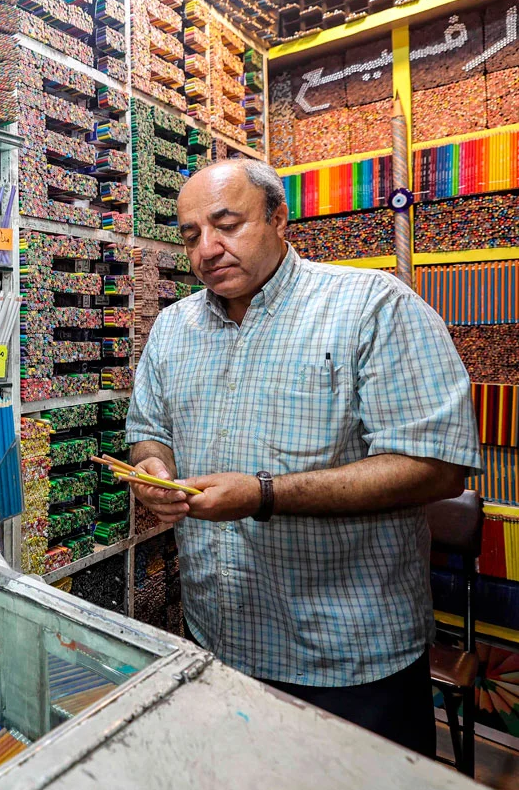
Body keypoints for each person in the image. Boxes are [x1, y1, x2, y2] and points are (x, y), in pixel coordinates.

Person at [126, 160, 481, 756]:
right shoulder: (172, 327)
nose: (208, 249)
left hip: (348, 657)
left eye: (227, 224)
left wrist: (264, 494)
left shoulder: (370, 306)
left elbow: (437, 465)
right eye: (190, 235)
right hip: (218, 635)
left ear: (278, 217)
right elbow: (148, 430)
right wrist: (152, 471)